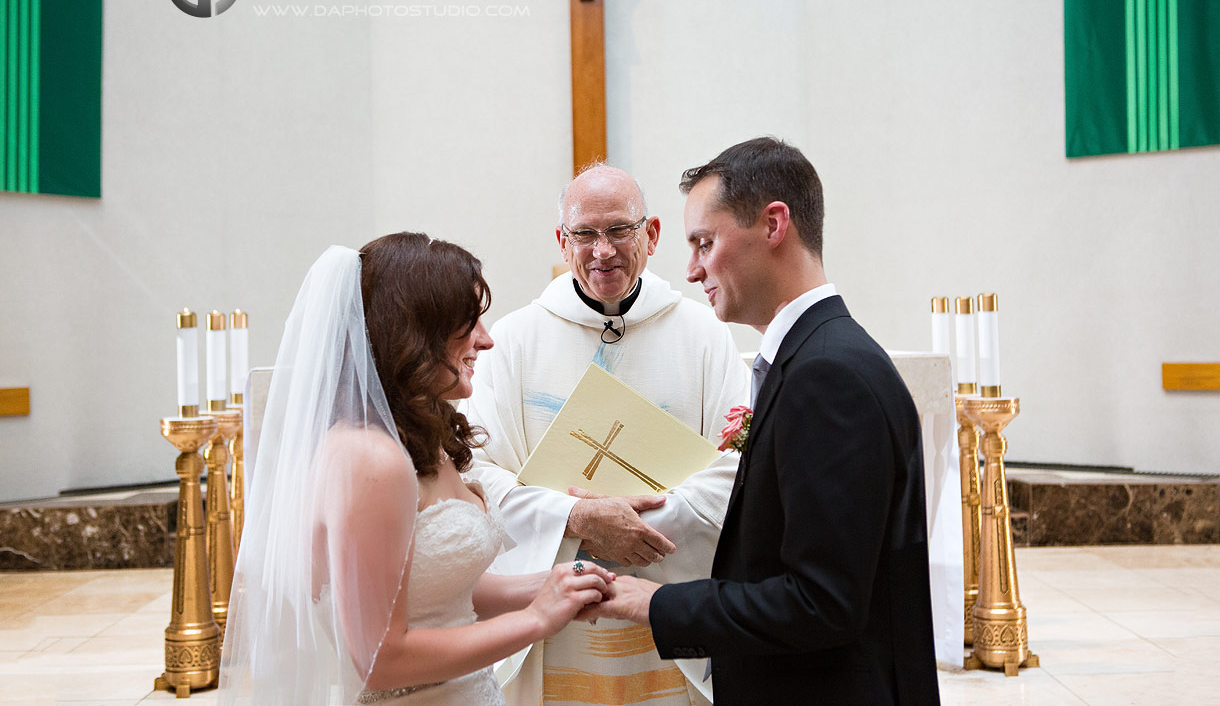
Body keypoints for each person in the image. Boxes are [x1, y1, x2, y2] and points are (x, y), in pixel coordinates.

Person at [589, 138, 941, 704]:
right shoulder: (816, 356)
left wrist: (653, 603)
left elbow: (822, 601)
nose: (692, 266)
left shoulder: (828, 376)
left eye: (705, 241)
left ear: (774, 224)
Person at [219, 233, 614, 706]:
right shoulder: (369, 460)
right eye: (468, 324)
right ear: (416, 333)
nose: (486, 340)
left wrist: (558, 585)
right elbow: (379, 658)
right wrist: (535, 620)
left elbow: (436, 590)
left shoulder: (418, 435)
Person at [463, 165, 749, 705]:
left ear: (653, 234)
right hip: (555, 626)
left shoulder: (703, 334)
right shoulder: (516, 339)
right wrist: (575, 521)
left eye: (619, 230)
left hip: (667, 600)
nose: (602, 250)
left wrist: (636, 528)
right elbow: (477, 471)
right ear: (561, 241)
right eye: (585, 234)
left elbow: (737, 465)